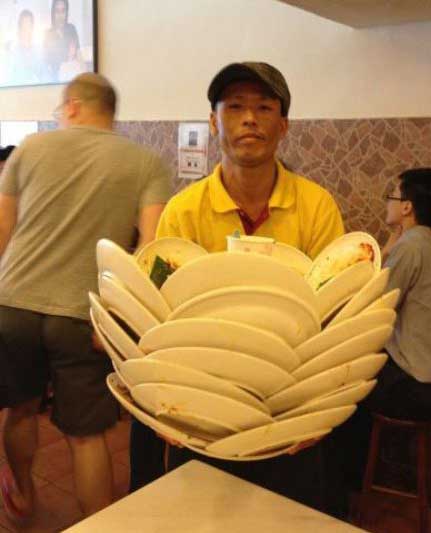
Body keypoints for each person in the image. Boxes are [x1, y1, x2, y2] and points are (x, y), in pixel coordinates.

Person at [130, 62, 344, 510]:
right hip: (203, 405)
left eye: (264, 107)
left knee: (287, 517)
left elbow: (336, 313)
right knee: (200, 516)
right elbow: (159, 316)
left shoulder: (316, 206)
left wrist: (318, 410)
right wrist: (166, 401)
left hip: (288, 408)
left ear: (283, 125)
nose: (250, 118)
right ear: (213, 121)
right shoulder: (183, 211)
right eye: (235, 107)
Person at [0, 73, 171, 524]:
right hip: (83, 315)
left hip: (13, 305)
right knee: (87, 436)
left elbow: (2, 230)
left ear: (72, 106)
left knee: (20, 410)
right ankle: (98, 525)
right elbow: (151, 251)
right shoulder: (146, 162)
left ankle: (22, 495)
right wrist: (118, 318)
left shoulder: (28, 148)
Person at [323, 167, 431, 517]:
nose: (386, 202)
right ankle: (350, 482)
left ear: (406, 206)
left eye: (392, 196)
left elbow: (375, 304)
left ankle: (339, 492)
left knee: (339, 392)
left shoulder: (411, 247)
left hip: (417, 388)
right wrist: (391, 242)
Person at [43, 0, 81, 81]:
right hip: (55, 80)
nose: (60, 15)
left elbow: (79, 55)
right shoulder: (48, 34)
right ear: (53, 13)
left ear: (67, 12)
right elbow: (46, 63)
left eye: (63, 11)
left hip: (72, 76)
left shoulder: (71, 29)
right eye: (57, 11)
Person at [6, 10, 42, 86]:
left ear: (32, 28)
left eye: (28, 25)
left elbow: (44, 76)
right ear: (19, 27)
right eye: (23, 25)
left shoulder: (38, 51)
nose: (26, 29)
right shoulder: (13, 52)